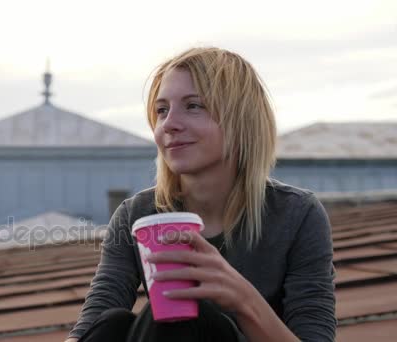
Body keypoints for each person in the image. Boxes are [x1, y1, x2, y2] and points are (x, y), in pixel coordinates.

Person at [65, 47, 336, 342]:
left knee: (184, 317)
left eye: (193, 106)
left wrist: (244, 300)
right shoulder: (138, 214)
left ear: (241, 120)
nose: (169, 124)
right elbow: (98, 311)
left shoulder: (297, 215)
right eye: (161, 110)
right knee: (112, 323)